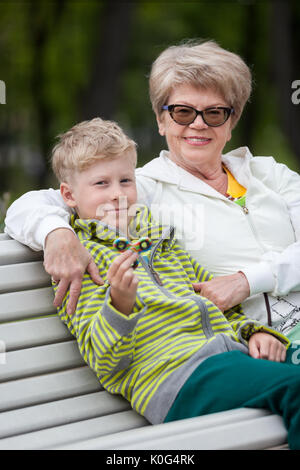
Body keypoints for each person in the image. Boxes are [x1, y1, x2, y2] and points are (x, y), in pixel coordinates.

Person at [5, 40, 300, 341]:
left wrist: (247, 281)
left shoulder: (270, 173)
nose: (198, 124)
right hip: (260, 343)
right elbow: (29, 206)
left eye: (214, 113)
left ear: (231, 122)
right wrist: (56, 232)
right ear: (161, 120)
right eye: (183, 112)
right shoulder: (138, 190)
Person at [46, 116, 300, 449]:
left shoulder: (157, 236)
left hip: (228, 357)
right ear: (69, 195)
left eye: (125, 180)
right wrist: (119, 305)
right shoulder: (81, 262)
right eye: (101, 184)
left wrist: (256, 332)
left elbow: (214, 299)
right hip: (178, 379)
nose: (117, 194)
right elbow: (106, 362)